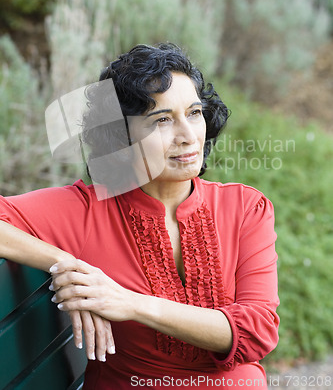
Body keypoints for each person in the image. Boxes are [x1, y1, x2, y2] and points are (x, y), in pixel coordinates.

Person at [0, 43, 279, 389]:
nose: (188, 136)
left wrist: (129, 303)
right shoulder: (88, 211)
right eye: (162, 120)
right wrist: (64, 261)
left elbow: (257, 333)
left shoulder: (245, 208)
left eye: (194, 113)